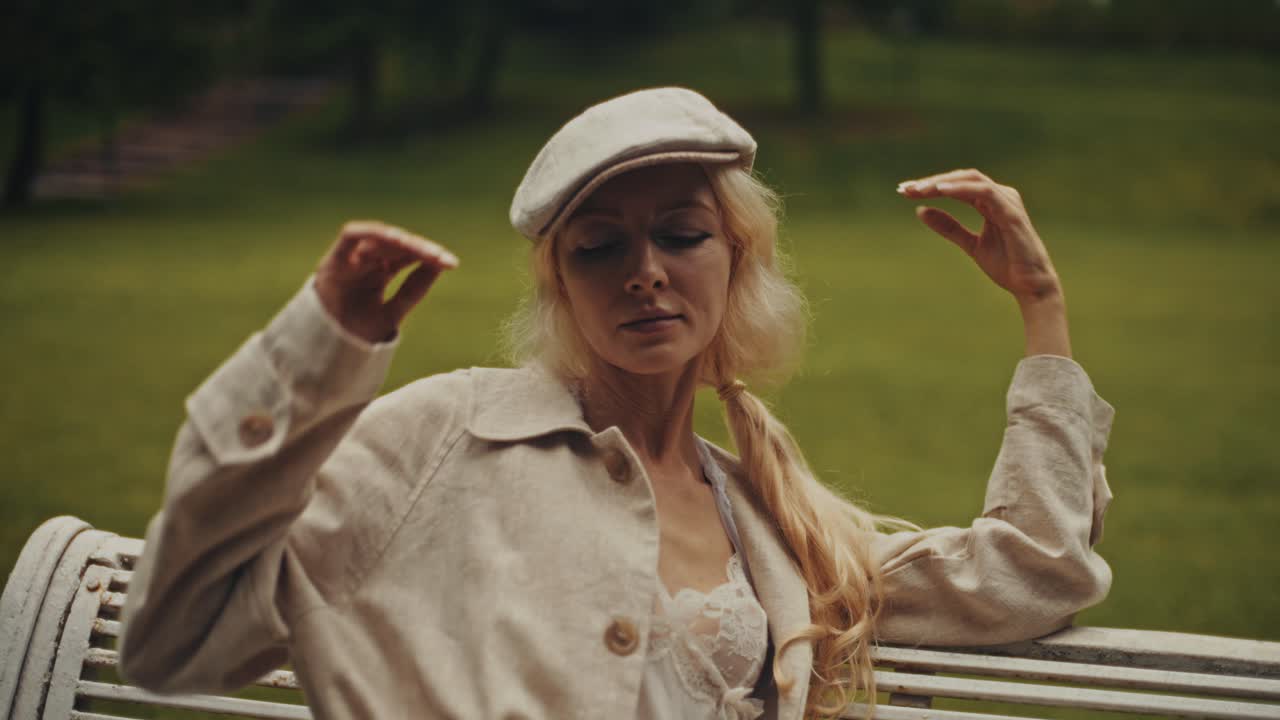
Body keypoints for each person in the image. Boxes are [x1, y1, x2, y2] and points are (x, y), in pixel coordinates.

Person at [119, 87, 1116, 720]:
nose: (642, 272)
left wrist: (1041, 308)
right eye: (599, 247)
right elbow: (176, 639)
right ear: (559, 285)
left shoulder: (774, 522)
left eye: (679, 235)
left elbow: (1030, 573)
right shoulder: (446, 440)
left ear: (737, 260)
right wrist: (313, 360)